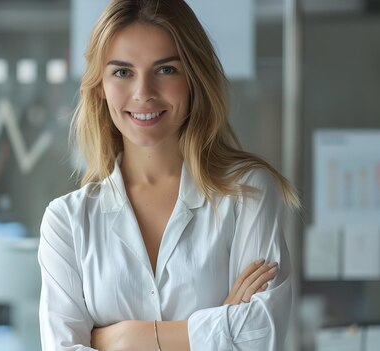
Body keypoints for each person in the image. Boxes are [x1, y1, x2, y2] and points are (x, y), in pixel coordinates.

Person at [37, 0, 300, 350]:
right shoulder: (67, 222)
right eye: (122, 72)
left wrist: (126, 338)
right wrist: (215, 327)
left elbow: (260, 335)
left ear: (193, 77)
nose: (143, 92)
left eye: (166, 70)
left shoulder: (246, 192)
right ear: (99, 86)